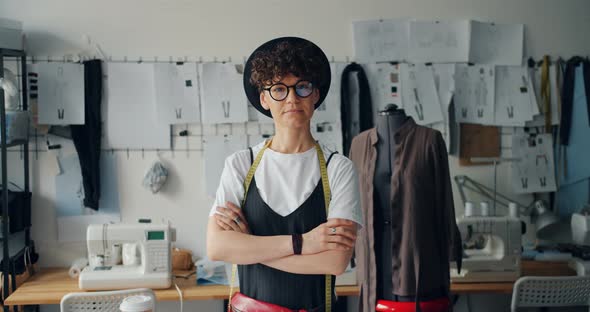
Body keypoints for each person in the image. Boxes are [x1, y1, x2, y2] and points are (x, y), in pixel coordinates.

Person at [206, 37, 362, 312]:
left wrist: (249, 249)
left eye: (301, 87)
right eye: (279, 89)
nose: (291, 98)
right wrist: (304, 243)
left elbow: (335, 262)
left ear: (315, 94)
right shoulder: (241, 165)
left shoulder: (339, 168)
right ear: (264, 98)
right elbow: (217, 247)